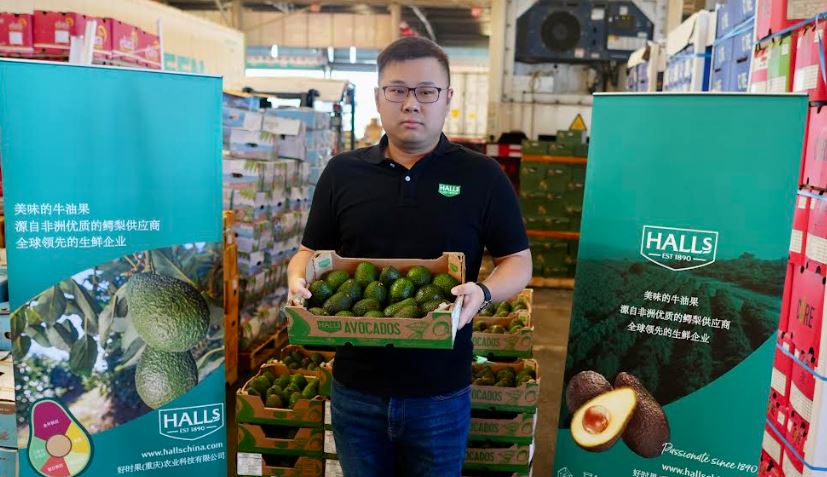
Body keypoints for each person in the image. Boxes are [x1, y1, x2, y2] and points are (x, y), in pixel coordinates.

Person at [287, 36, 532, 477]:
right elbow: (308, 252)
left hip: (440, 391)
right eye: (397, 90)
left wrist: (484, 291)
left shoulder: (482, 176)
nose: (411, 104)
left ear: (448, 99)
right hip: (355, 389)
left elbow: (518, 259)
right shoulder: (343, 172)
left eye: (426, 91)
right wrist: (298, 278)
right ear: (379, 98)